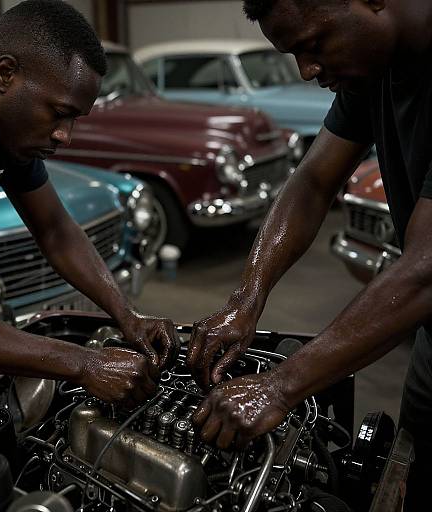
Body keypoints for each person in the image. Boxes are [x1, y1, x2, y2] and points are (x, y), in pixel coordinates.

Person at [188, 0, 432, 507]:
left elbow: (427, 267)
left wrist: (279, 387)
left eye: (314, 45)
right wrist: (247, 297)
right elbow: (313, 181)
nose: (307, 71)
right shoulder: (374, 65)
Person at [0, 0, 178, 404]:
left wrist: (128, 317)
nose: (65, 136)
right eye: (60, 113)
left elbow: (55, 230)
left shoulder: (2, 129)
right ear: (5, 73)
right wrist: (82, 362)